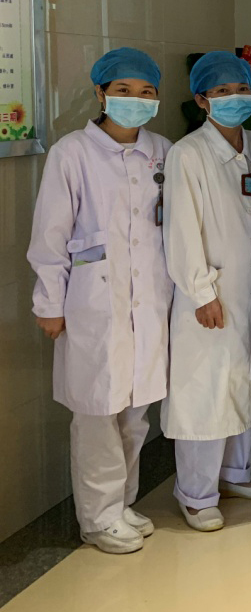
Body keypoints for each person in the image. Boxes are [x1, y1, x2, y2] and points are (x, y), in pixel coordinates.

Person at [27, 47, 172, 554]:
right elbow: (50, 234)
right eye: (123, 90)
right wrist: (50, 303)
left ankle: (122, 504)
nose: (135, 99)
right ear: (100, 93)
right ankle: (97, 517)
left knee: (135, 414)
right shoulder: (72, 153)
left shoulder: (162, 151)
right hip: (92, 304)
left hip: (148, 303)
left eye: (146, 92)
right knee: (96, 413)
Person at [162, 51, 251, 532]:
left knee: (248, 381)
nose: (235, 98)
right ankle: (195, 493)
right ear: (201, 100)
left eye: (242, 89)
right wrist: (200, 292)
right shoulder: (188, 154)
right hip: (212, 293)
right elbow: (181, 229)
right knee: (206, 391)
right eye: (222, 92)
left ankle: (236, 474)